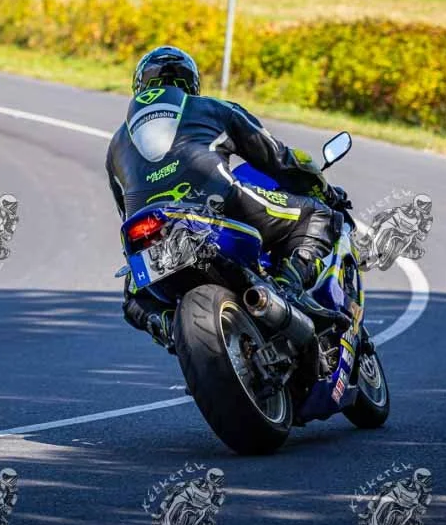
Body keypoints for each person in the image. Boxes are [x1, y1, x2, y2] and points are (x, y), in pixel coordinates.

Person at [105, 46, 352, 349]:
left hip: (149, 230)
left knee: (133, 293)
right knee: (318, 215)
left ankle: (168, 326)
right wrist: (323, 190)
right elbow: (280, 159)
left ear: (139, 86)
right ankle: (288, 289)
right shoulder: (213, 108)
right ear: (192, 84)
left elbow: (125, 214)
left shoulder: (115, 146)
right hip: (216, 205)